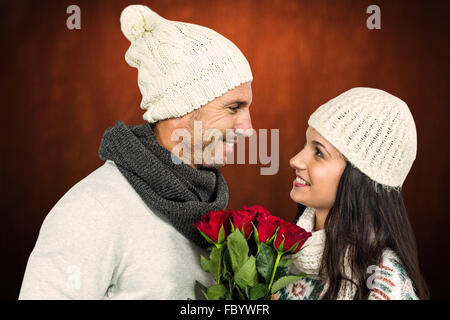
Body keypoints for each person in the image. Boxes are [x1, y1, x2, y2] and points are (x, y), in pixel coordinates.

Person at [19, 4, 253, 299]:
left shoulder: (208, 206)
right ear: (180, 109)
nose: (248, 128)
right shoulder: (91, 211)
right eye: (234, 108)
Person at [274, 87, 429, 300]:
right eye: (305, 144)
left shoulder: (382, 286)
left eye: (319, 152)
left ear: (360, 178)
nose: (295, 160)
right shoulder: (283, 254)